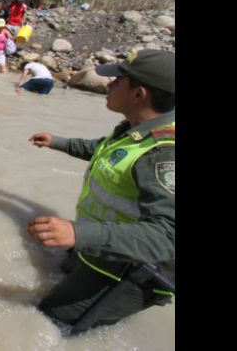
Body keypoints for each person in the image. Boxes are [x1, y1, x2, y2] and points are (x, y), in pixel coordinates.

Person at [27, 49, 175, 334]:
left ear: (138, 94)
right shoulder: (135, 129)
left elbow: (168, 236)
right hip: (104, 246)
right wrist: (58, 142)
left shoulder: (164, 153)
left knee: (46, 323)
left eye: (117, 81)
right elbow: (106, 152)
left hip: (136, 271)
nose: (108, 85)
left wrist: (78, 233)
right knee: (60, 269)